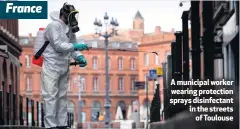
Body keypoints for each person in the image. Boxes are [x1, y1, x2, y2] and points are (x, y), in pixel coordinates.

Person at [41, 3, 89, 129]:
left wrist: (79, 56)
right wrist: (75, 47)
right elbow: (58, 45)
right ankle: (50, 125)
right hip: (51, 66)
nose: (72, 19)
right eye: (71, 15)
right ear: (64, 14)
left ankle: (62, 124)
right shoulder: (53, 26)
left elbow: (72, 45)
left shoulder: (69, 29)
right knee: (50, 96)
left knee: (62, 96)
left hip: (64, 66)